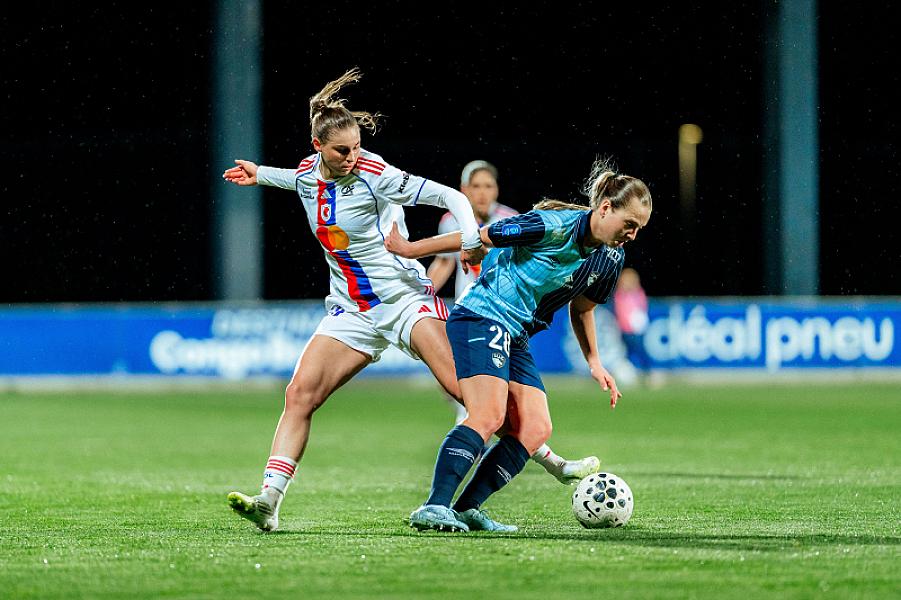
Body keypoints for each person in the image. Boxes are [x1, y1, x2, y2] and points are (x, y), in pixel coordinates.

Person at [220, 67, 487, 532]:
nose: (353, 156)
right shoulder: (308, 175)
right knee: (299, 394)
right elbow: (294, 178)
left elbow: (449, 195)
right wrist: (259, 174)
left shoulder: (376, 174)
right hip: (351, 311)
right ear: (318, 148)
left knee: (464, 390)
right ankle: (269, 500)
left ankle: (541, 450)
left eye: (358, 147)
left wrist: (467, 240)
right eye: (343, 150)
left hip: (402, 300)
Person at [385, 158, 652, 532]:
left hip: (516, 333)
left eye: (639, 229)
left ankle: (466, 509)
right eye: (630, 224)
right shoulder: (553, 226)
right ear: (605, 207)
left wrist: (595, 361)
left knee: (535, 427)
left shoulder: (610, 257)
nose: (633, 235)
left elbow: (584, 308)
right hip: (482, 316)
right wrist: (411, 249)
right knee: (488, 415)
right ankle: (434, 506)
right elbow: (479, 237)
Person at [429, 160, 601, 484]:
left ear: (496, 190)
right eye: (475, 187)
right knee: (484, 412)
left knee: (493, 411)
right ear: (464, 191)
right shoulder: (451, 220)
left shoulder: (509, 219)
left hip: (505, 321)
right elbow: (443, 264)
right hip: (472, 320)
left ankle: (452, 495)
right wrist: (421, 297)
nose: (482, 194)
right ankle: (446, 496)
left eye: (488, 187)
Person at [613, 267, 650, 376]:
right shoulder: (620, 295)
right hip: (625, 330)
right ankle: (628, 373)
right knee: (627, 352)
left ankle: (646, 372)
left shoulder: (639, 293)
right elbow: (620, 312)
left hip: (637, 330)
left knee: (641, 351)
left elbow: (642, 309)